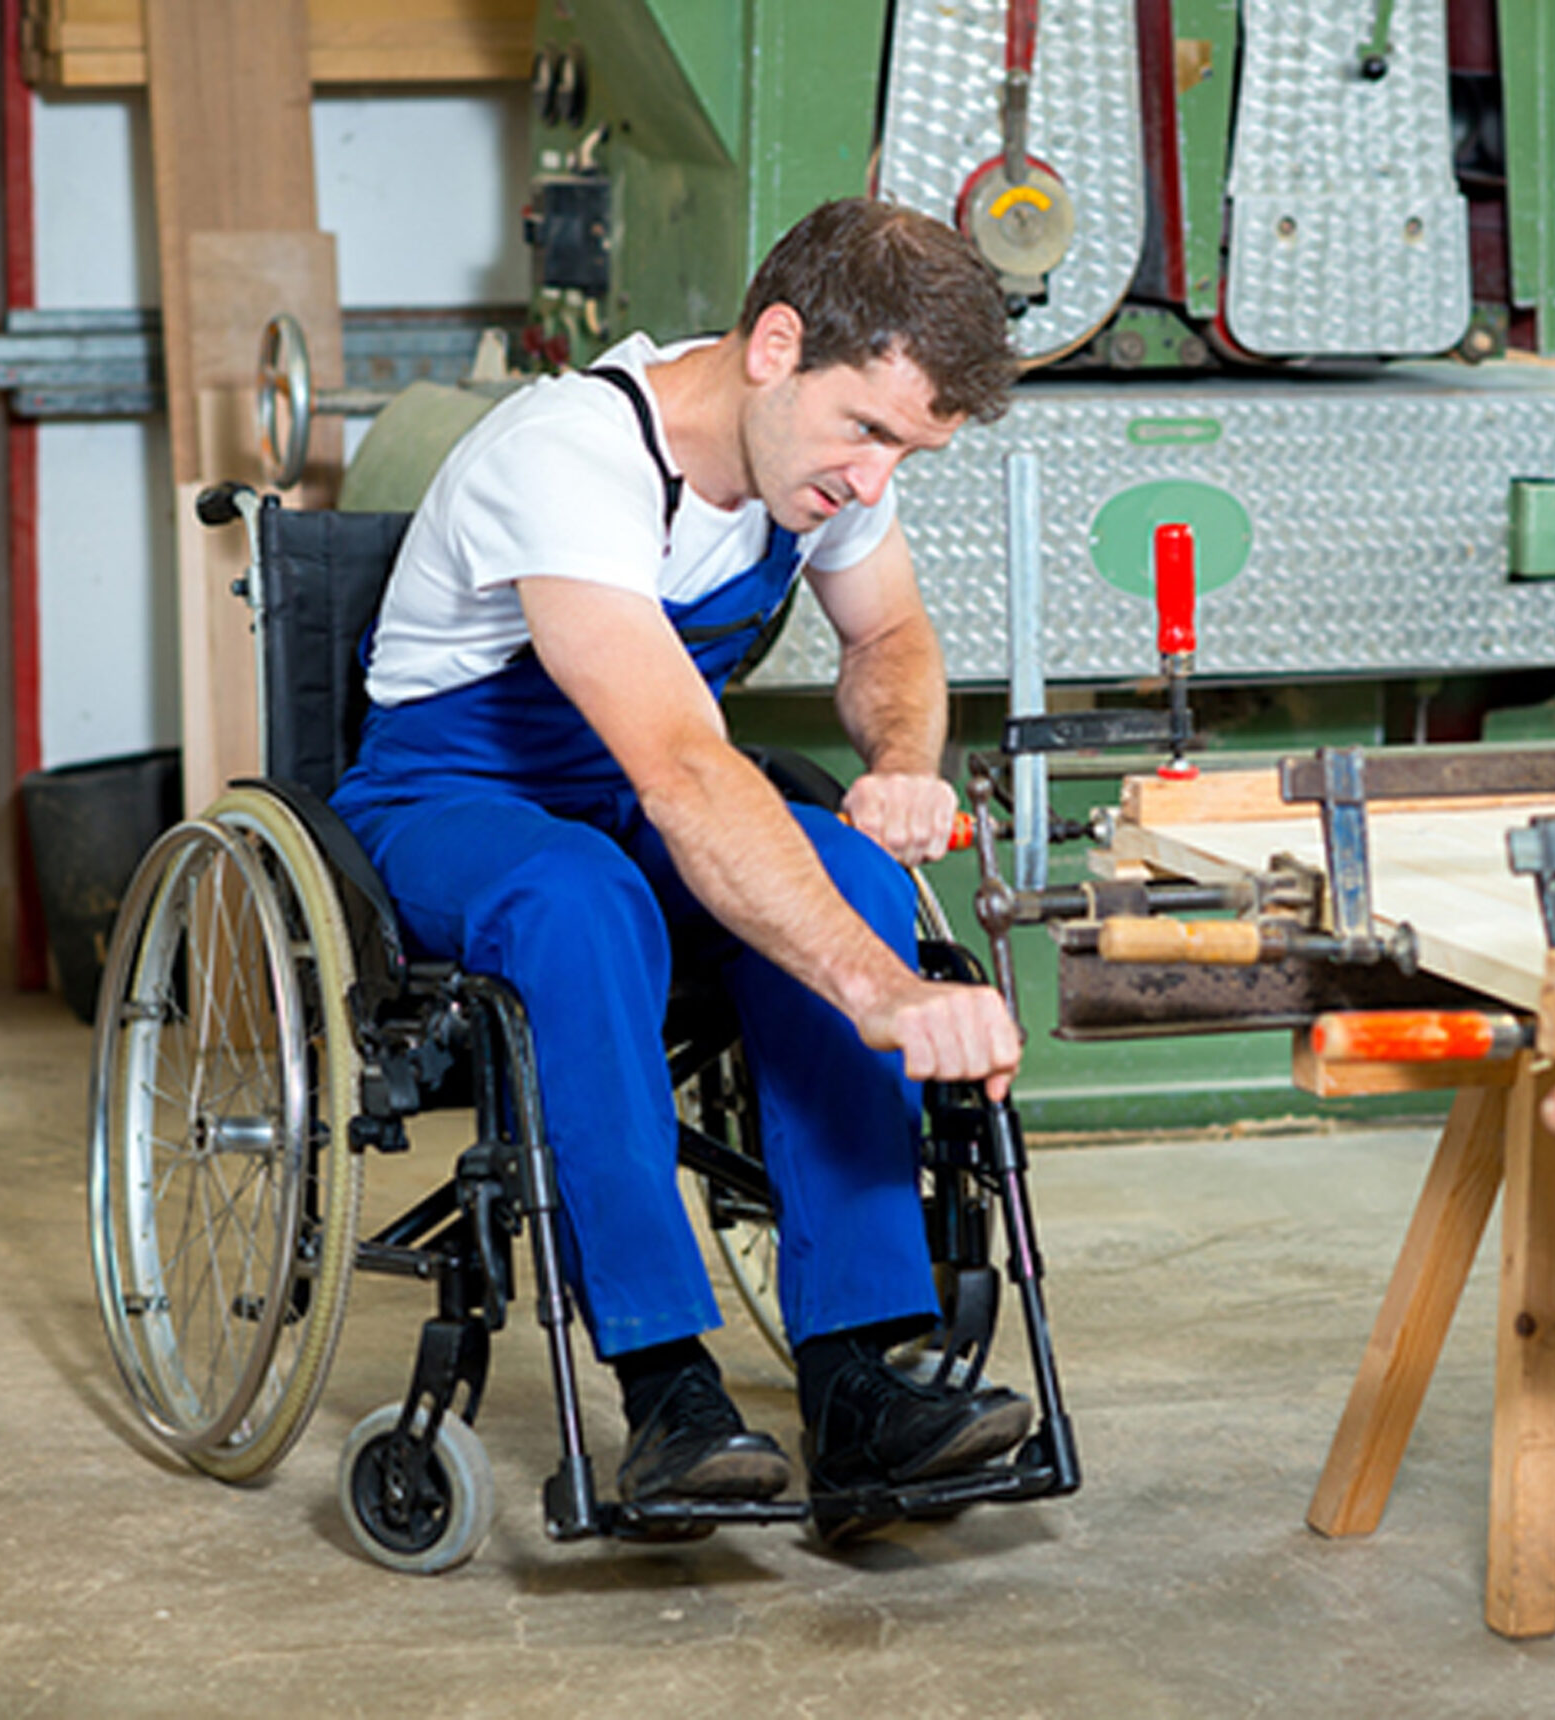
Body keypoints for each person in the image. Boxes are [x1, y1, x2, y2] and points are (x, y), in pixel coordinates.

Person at [330, 198, 1031, 1515]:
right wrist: (880, 993)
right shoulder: (571, 457)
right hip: (454, 797)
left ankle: (856, 1378)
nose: (873, 483)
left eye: (907, 453)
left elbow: (891, 642)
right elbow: (688, 769)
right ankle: (667, 1392)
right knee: (576, 904)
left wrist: (899, 768)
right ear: (776, 343)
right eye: (868, 433)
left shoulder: (817, 469)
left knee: (852, 876)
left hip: (639, 794)